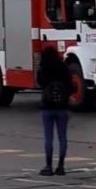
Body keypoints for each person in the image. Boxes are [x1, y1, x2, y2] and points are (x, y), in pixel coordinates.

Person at [36, 45, 72, 175]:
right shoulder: (63, 67)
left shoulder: (44, 67)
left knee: (48, 138)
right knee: (62, 137)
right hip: (62, 107)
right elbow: (71, 86)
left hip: (47, 106)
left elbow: (40, 82)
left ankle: (48, 166)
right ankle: (61, 166)